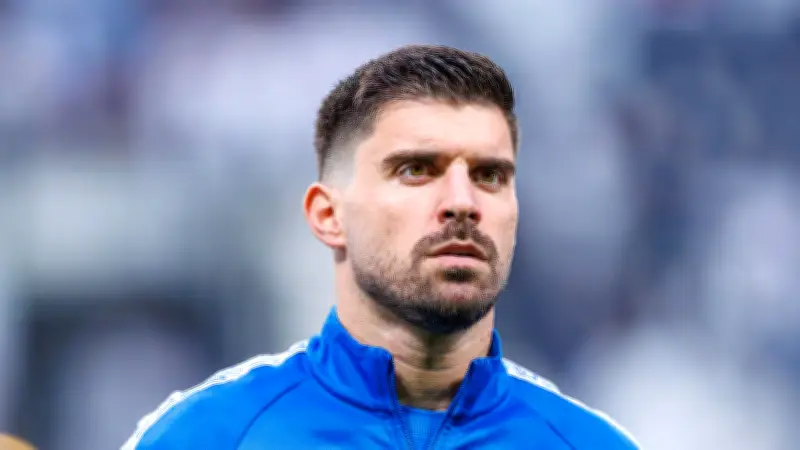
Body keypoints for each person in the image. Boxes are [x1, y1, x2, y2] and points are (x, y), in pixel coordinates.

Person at [122, 44, 639, 449]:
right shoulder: (207, 436)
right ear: (329, 216)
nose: (462, 203)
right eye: (416, 170)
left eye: (489, 176)